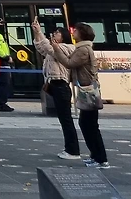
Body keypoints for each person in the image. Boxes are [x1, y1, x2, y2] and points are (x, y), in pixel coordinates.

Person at [51, 22, 110, 169]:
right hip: (86, 89)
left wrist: (56, 49)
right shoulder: (81, 48)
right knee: (86, 123)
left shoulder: (83, 50)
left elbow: (69, 63)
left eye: (76, 31)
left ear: (82, 33)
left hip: (88, 90)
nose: (73, 33)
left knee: (89, 125)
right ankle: (96, 156)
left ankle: (101, 158)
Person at [33, 19, 80, 160]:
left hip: (61, 85)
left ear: (64, 36)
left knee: (66, 119)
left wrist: (40, 32)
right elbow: (41, 48)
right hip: (55, 85)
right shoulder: (55, 48)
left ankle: (73, 150)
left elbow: (49, 49)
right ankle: (70, 149)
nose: (54, 34)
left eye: (57, 33)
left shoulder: (66, 48)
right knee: (64, 118)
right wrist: (37, 33)